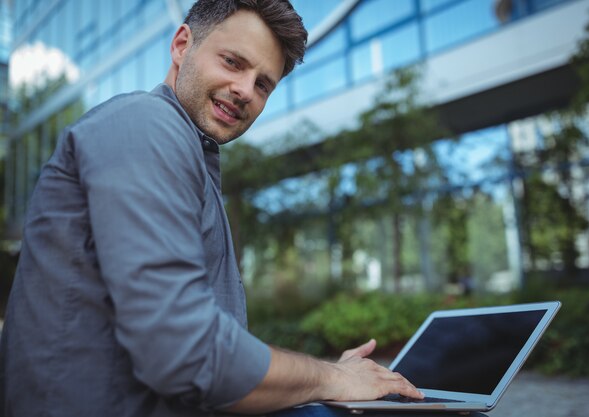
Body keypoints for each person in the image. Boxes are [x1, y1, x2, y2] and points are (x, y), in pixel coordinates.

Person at [0, 1, 424, 416]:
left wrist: (330, 376)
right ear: (182, 45)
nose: (245, 91)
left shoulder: (188, 158)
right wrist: (331, 379)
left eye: (263, 85)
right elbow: (185, 352)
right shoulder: (147, 126)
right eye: (233, 62)